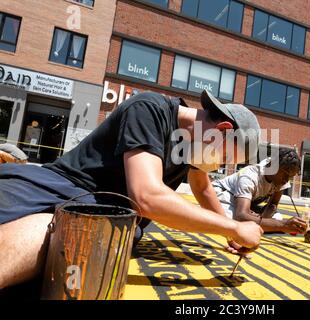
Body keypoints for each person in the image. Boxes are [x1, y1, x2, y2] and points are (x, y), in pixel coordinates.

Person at [0, 90, 263, 289]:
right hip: (57, 188)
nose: (220, 166)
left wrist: (227, 232)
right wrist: (236, 228)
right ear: (222, 130)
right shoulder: (149, 109)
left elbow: (202, 185)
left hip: (105, 217)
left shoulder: (192, 147)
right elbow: (147, 197)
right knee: (54, 233)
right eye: (226, 158)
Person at [212, 148, 307, 238]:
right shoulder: (250, 176)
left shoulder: (281, 180)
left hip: (247, 204)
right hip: (223, 195)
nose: (286, 180)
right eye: (286, 174)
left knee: (277, 216)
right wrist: (282, 225)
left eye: (290, 177)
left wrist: (260, 219)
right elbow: (240, 216)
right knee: (230, 219)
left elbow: (273, 205)